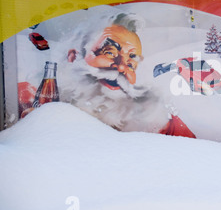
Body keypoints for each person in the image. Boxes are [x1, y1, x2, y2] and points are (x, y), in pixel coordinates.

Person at [21, 12, 196, 138]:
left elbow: (192, 157)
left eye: (131, 63)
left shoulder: (158, 121)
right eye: (110, 53)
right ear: (74, 56)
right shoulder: (28, 97)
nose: (121, 69)